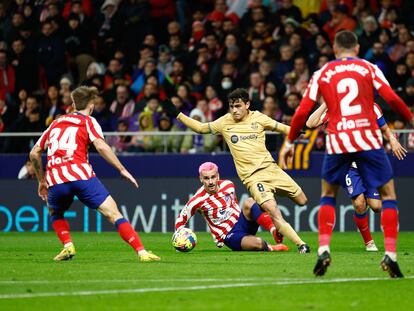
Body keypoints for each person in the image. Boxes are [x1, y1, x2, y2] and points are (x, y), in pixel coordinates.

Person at [281, 30, 413, 277]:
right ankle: (391, 255)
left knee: (328, 195)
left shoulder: (323, 73)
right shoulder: (369, 68)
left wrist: (289, 142)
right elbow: (393, 99)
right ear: (358, 47)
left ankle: (322, 250)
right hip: (367, 140)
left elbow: (301, 113)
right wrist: (409, 117)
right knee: (389, 195)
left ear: (333, 48)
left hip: (339, 142)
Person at [29, 86, 160, 262]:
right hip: (81, 175)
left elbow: (34, 153)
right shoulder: (89, 121)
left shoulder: (56, 122)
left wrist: (41, 180)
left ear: (74, 104)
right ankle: (141, 252)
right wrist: (121, 169)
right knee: (113, 214)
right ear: (91, 105)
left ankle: (68, 246)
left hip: (56, 179)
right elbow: (101, 146)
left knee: (55, 212)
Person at [175, 88, 310, 253]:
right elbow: (201, 128)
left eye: (238, 106)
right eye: (231, 106)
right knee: (273, 210)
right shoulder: (225, 122)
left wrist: (296, 130)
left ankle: (269, 205)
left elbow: (280, 127)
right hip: (253, 178)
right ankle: (301, 244)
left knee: (302, 200)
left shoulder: (258, 118)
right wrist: (178, 114)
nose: (234, 110)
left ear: (247, 104)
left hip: (272, 169)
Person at [306, 102, 407, 252]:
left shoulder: (372, 106)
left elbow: (384, 128)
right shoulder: (338, 108)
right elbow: (310, 123)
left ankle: (365, 205)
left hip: (368, 163)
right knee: (359, 204)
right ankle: (369, 242)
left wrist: (392, 140)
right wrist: (326, 103)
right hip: (350, 164)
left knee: (376, 206)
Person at [175, 162, 288, 252]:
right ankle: (271, 247)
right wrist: (180, 239)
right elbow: (181, 219)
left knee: (249, 201)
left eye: (213, 177)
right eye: (206, 178)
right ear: (201, 179)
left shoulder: (228, 185)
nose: (210, 182)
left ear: (218, 176)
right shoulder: (197, 200)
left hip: (241, 222)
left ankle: (273, 230)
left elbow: (234, 205)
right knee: (258, 243)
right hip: (229, 235)